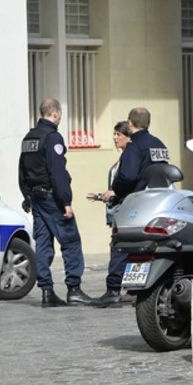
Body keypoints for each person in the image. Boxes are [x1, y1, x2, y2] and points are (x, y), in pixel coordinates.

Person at [18, 98, 94, 307]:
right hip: (52, 198)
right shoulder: (53, 138)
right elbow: (57, 172)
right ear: (56, 113)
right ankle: (74, 289)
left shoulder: (29, 138)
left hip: (36, 198)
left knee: (43, 243)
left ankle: (46, 291)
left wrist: (26, 196)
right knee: (70, 241)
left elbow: (22, 170)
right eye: (60, 114)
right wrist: (66, 202)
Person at [94, 108, 169, 306]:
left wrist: (115, 191)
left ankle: (113, 288)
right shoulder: (159, 145)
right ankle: (139, 289)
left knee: (121, 244)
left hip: (136, 203)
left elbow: (127, 176)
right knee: (148, 247)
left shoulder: (135, 146)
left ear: (130, 123)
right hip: (159, 203)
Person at [86, 121, 131, 308]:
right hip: (116, 209)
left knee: (119, 248)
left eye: (118, 134)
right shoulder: (121, 160)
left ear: (128, 136)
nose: (115, 138)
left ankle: (115, 288)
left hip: (124, 210)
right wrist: (101, 196)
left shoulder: (130, 159)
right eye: (114, 134)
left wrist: (114, 194)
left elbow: (126, 184)